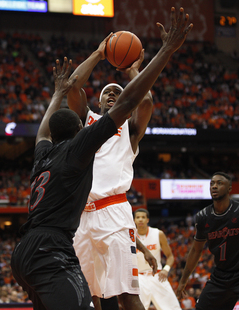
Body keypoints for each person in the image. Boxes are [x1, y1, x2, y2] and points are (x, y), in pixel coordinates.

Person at [70, 6, 192, 310]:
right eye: (107, 93)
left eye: (118, 92)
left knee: (127, 296)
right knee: (87, 296)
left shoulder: (129, 128)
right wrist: (99, 54)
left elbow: (145, 99)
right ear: (97, 103)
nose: (113, 94)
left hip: (113, 212)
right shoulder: (85, 121)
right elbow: (72, 87)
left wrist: (131, 70)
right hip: (79, 217)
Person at [176, 172, 239, 310]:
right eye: (212, 183)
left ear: (229, 188)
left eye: (219, 183)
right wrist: (183, 281)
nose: (214, 186)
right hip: (220, 276)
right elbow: (195, 250)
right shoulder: (203, 217)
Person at [134, 208, 182, 310]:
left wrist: (166, 270)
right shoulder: (131, 236)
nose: (140, 220)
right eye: (138, 217)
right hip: (139, 277)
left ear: (148, 220)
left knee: (174, 308)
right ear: (134, 220)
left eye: (143, 217)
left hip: (157, 275)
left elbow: (170, 256)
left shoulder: (158, 233)